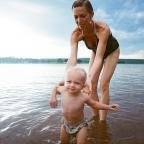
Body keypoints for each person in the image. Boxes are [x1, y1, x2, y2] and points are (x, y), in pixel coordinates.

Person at [66, 0, 120, 121]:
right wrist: (67, 78)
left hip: (111, 51)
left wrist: (89, 78)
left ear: (91, 14)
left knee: (103, 84)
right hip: (96, 52)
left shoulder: (102, 29)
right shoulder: (75, 34)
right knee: (91, 85)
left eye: (83, 16)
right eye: (75, 17)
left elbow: (100, 58)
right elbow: (72, 59)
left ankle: (102, 121)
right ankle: (95, 118)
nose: (79, 21)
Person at [50, 67, 119, 144]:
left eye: (77, 83)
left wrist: (107, 107)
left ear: (83, 85)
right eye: (69, 81)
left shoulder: (83, 97)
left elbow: (94, 104)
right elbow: (55, 88)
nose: (72, 85)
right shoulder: (63, 90)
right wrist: (53, 97)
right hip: (65, 124)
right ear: (65, 82)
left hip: (80, 126)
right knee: (64, 142)